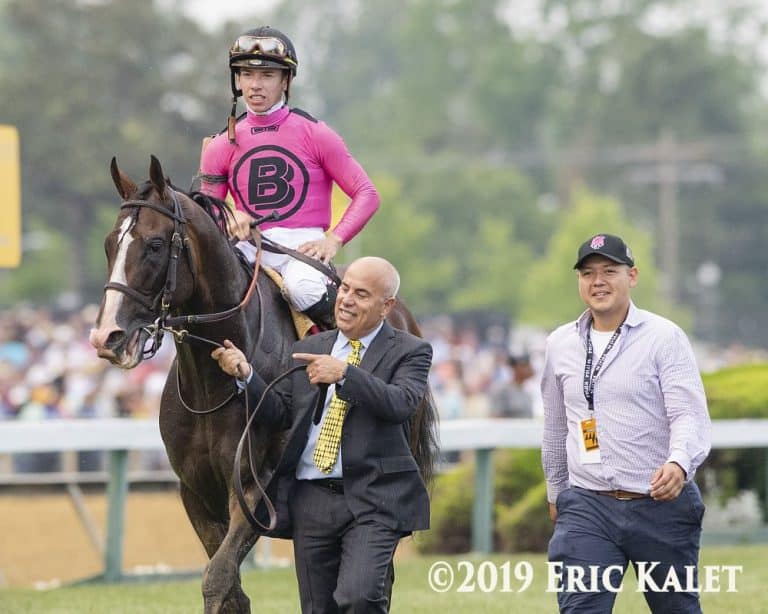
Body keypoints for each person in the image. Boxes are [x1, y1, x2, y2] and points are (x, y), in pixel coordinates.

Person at [211, 256, 432, 613]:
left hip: (375, 498)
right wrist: (247, 375)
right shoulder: (313, 347)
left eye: (361, 294)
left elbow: (400, 403)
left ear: (386, 306)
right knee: (318, 608)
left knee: (359, 597)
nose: (345, 300)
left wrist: (345, 374)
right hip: (311, 498)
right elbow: (280, 414)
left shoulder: (411, 351)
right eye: (344, 289)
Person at [540, 233, 711, 613]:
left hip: (659, 505)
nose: (597, 281)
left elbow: (688, 413)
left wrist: (679, 463)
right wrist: (557, 492)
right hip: (588, 504)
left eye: (609, 271)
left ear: (632, 276)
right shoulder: (559, 344)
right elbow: (555, 424)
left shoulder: (664, 338)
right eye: (588, 273)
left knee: (676, 608)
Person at [199, 26, 380, 328]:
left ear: (286, 80)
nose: (255, 85)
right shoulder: (219, 145)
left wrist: (334, 240)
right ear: (237, 80)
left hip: (303, 248)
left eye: (267, 76)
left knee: (302, 289)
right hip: (245, 248)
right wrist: (229, 218)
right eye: (246, 74)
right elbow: (207, 215)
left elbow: (367, 194)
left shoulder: (316, 133)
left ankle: (345, 358)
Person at [487, 353, 534, 418]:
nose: (530, 368)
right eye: (525, 365)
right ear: (516, 367)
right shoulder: (501, 390)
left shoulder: (527, 394)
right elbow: (495, 417)